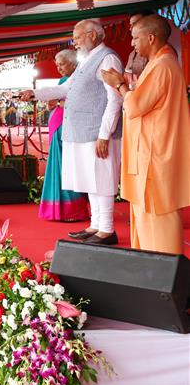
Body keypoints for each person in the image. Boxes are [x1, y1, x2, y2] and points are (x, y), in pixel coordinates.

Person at [20, 19, 123, 245]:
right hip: (82, 131)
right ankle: (96, 225)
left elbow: (115, 98)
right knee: (90, 179)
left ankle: (107, 229)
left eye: (77, 37)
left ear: (93, 35)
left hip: (97, 131)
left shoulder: (107, 58)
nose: (74, 42)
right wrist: (35, 94)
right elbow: (65, 88)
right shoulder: (87, 60)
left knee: (102, 179)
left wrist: (105, 134)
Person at [101, 15, 190, 254]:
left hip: (156, 153)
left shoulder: (163, 65)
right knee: (145, 215)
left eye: (135, 37)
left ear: (151, 38)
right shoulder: (157, 63)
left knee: (157, 214)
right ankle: (150, 269)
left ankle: (164, 274)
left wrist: (119, 85)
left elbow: (137, 106)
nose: (132, 43)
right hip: (149, 151)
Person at [37, 49, 89, 222]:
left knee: (66, 166)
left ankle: (70, 210)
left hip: (67, 127)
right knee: (58, 165)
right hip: (58, 125)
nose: (59, 68)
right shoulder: (63, 80)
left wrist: (59, 101)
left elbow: (73, 102)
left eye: (62, 64)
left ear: (73, 62)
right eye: (57, 65)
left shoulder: (78, 78)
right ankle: (58, 209)